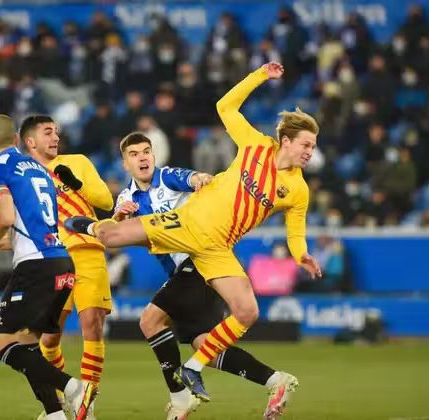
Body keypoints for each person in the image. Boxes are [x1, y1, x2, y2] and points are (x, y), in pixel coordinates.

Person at [65, 62, 322, 418]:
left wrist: (302, 254)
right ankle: (82, 225)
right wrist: (259, 76)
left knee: (245, 312)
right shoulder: (255, 145)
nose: (311, 151)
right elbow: (225, 107)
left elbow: (296, 229)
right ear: (287, 141)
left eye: (314, 146)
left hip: (215, 250)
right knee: (111, 234)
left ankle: (194, 372)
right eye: (306, 144)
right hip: (188, 225)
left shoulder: (298, 189)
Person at [113, 132, 300, 419]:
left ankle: (179, 399)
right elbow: (120, 230)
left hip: (200, 257)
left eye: (146, 151)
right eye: (135, 154)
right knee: (206, 348)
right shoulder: (126, 198)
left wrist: (199, 179)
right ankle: (276, 381)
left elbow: (190, 178)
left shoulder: (167, 177)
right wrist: (120, 218)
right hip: (185, 271)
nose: (143, 157)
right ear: (125, 164)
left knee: (150, 320)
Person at [0, 114, 91, 420]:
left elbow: (4, 218)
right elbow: (32, 226)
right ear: (18, 140)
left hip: (36, 267)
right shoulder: (39, 170)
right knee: (29, 345)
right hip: (60, 262)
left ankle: (73, 387)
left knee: (3, 346)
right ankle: (54, 414)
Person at [20, 115, 113, 419]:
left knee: (92, 324)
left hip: (87, 252)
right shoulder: (23, 174)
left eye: (57, 132)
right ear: (30, 141)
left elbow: (105, 201)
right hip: (51, 259)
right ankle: (60, 400)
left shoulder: (78, 161)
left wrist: (75, 182)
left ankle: (88, 404)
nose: (55, 137)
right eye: (48, 132)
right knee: (48, 338)